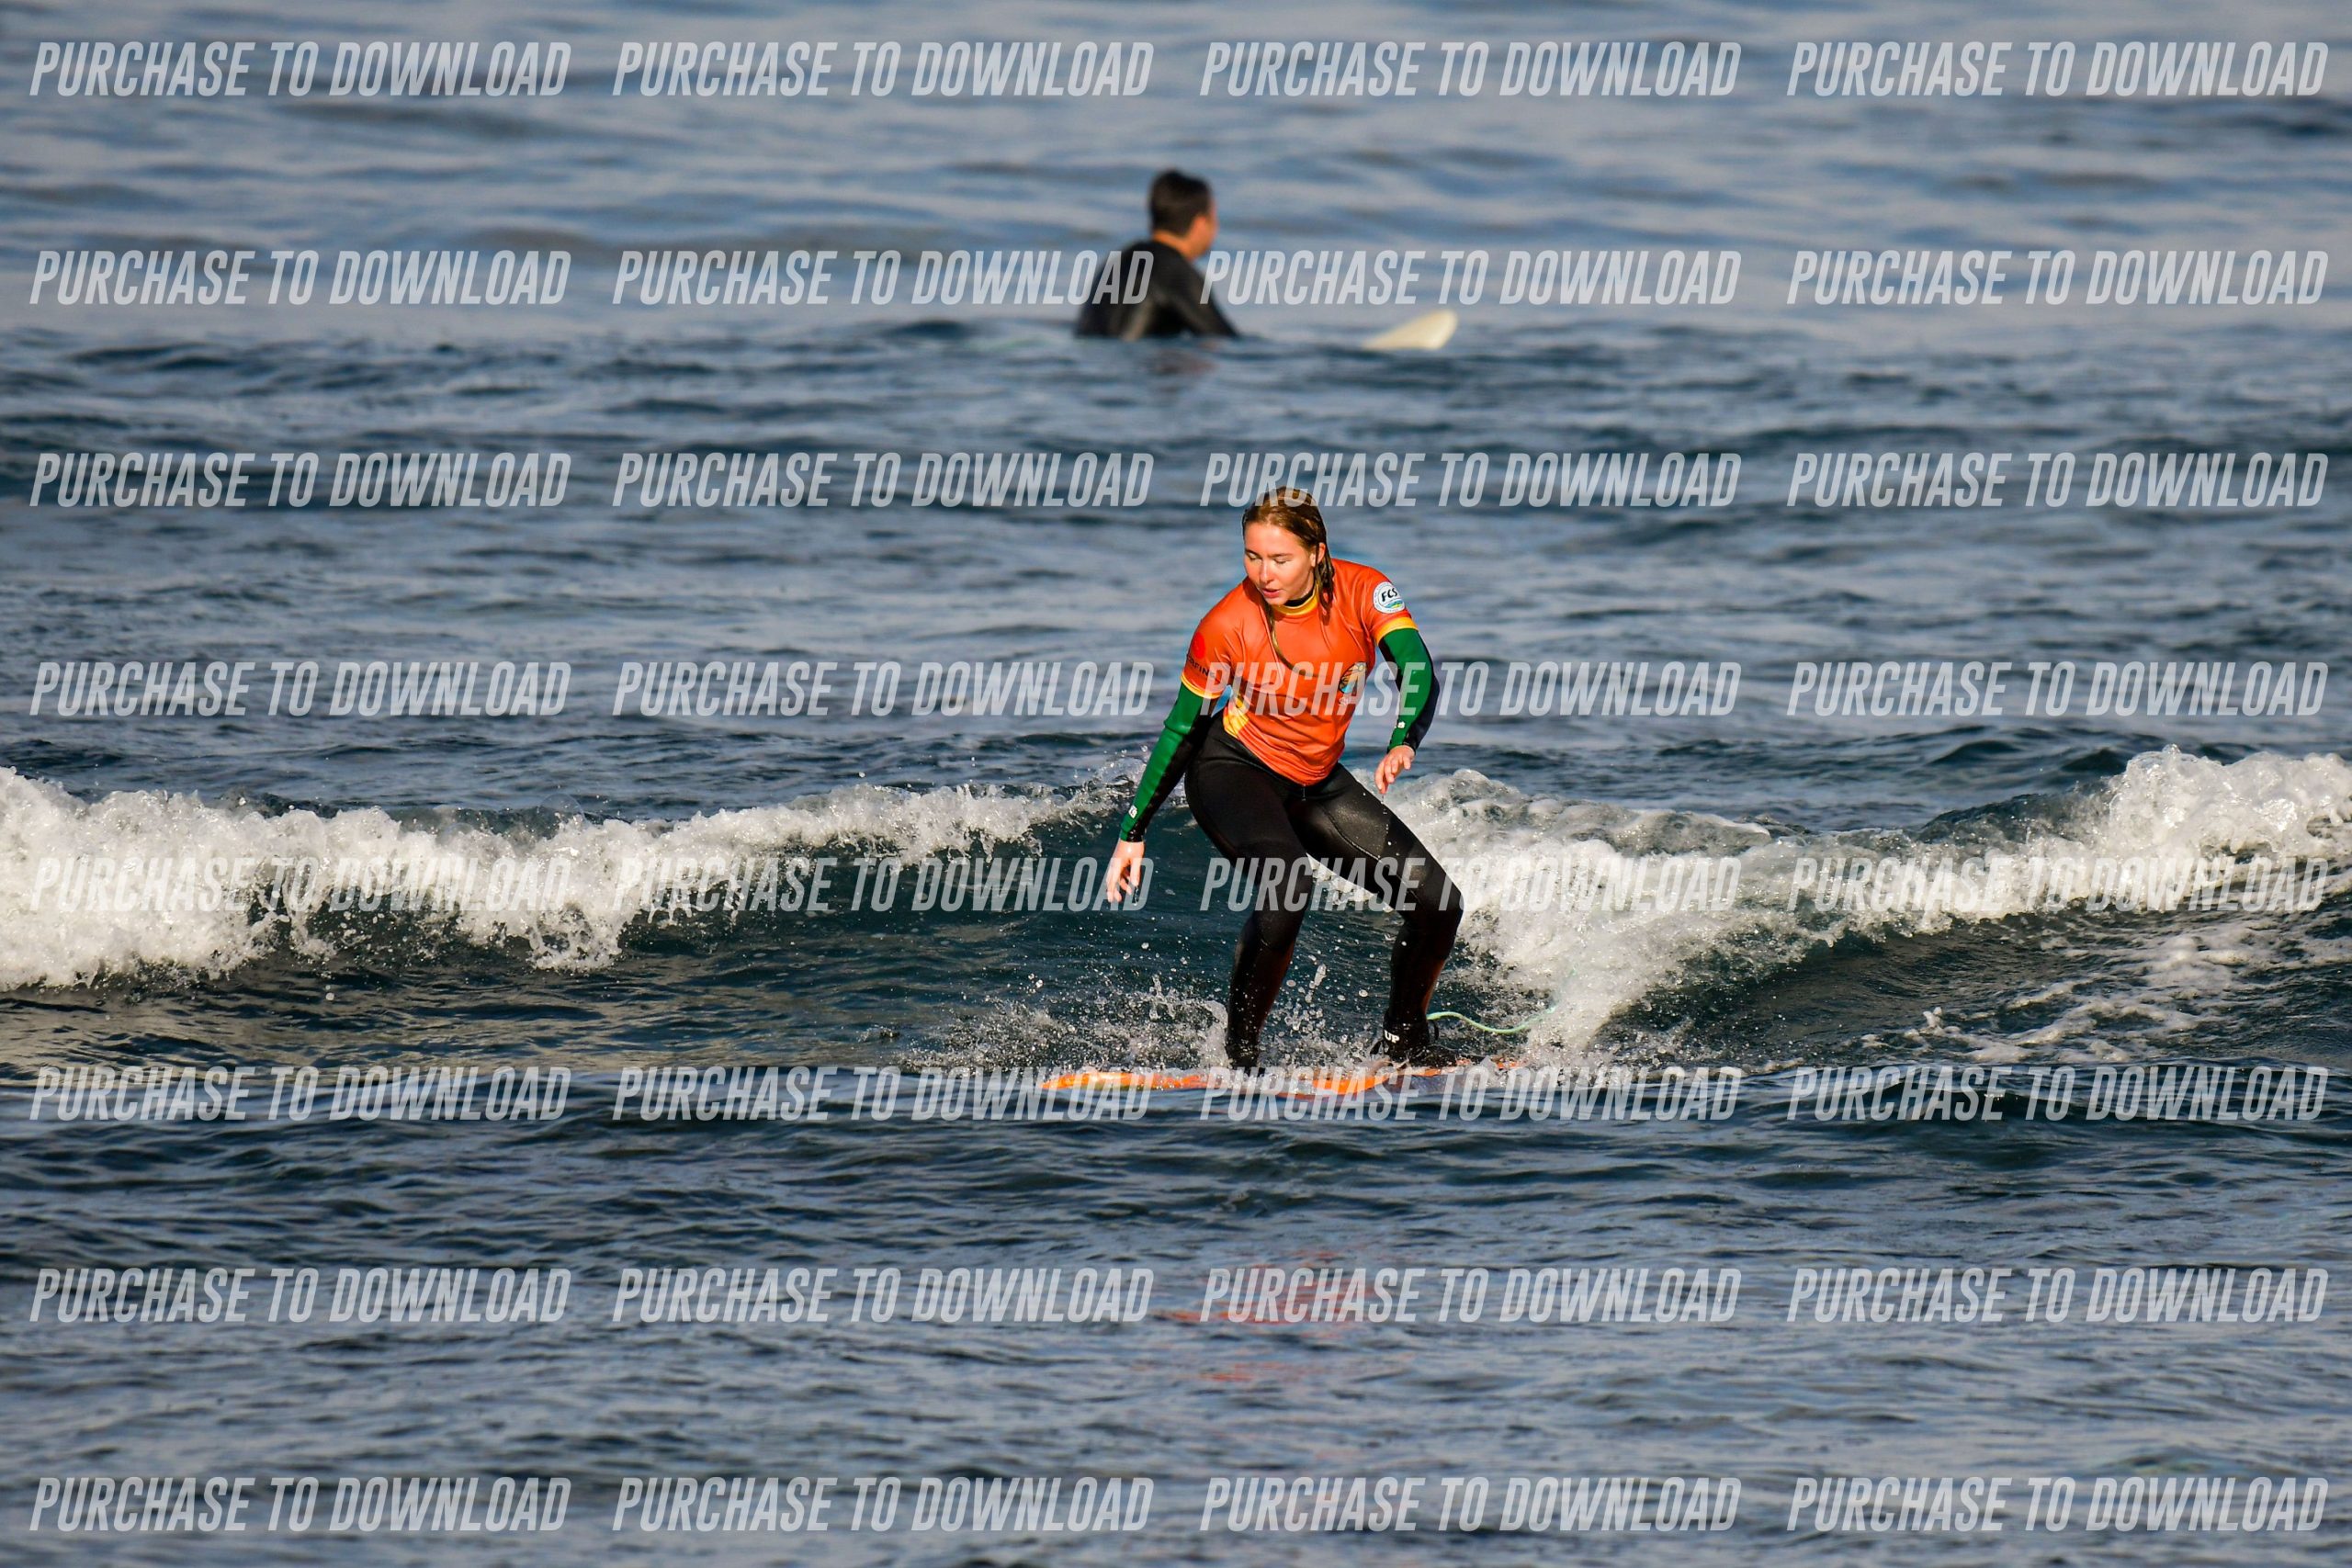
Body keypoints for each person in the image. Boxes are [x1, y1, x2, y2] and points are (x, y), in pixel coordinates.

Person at [1105, 489, 1462, 1070]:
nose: (1263, 574)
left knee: (1437, 903)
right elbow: (1181, 730)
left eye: (1279, 559)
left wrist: (1404, 739)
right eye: (1252, 557)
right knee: (1287, 886)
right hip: (1233, 770)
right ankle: (1241, 1057)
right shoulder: (1227, 623)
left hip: (1315, 780)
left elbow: (1416, 665)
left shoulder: (1364, 591)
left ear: (1317, 553)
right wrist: (1133, 830)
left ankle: (1404, 1041)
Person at [1074, 169, 1240, 340]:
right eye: (1214, 219)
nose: (1215, 229)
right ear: (1200, 224)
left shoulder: (1115, 263)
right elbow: (1225, 339)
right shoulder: (1176, 272)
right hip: (1132, 357)